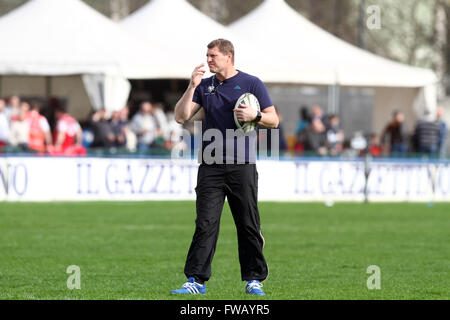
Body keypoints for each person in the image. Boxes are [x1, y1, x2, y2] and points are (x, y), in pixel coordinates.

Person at [171, 39, 278, 296]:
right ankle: (196, 280)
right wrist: (191, 86)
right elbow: (180, 116)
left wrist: (257, 116)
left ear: (228, 57)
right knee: (205, 223)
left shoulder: (252, 83)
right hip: (210, 165)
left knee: (248, 223)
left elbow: (273, 120)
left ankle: (254, 279)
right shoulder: (204, 86)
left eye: (213, 55)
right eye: (207, 55)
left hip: (242, 165)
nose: (208, 59)